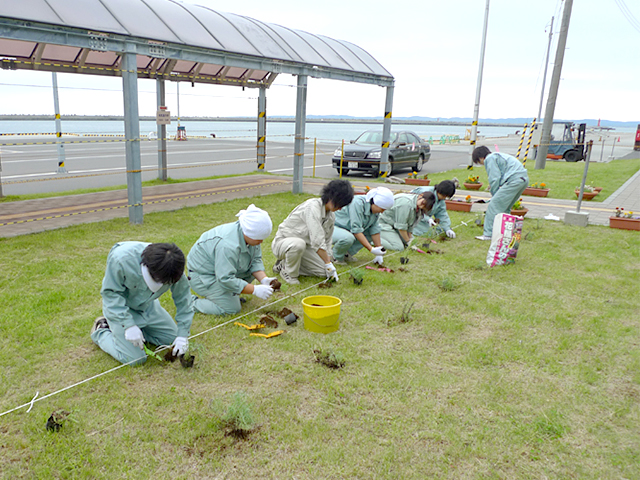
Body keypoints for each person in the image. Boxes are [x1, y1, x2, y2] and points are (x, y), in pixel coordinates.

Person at [90, 242, 194, 366]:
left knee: (172, 340)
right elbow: (110, 294)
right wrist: (128, 325)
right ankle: (101, 330)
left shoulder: (173, 268)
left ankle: (139, 329)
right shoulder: (121, 260)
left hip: (149, 307)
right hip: (121, 309)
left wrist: (182, 335)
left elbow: (184, 300)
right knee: (135, 359)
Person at [188, 204, 277, 315]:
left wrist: (264, 279)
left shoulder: (250, 236)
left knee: (249, 272)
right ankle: (189, 303)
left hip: (219, 272)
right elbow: (225, 278)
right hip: (203, 276)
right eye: (258, 239)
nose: (261, 242)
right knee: (231, 309)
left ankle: (227, 296)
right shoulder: (228, 245)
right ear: (248, 233)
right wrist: (254, 290)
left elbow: (254, 260)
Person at [272, 179, 354, 284]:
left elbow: (327, 241)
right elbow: (317, 240)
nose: (340, 208)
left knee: (323, 272)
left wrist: (329, 264)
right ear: (331, 197)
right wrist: (328, 263)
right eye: (339, 204)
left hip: (306, 247)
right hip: (284, 243)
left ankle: (289, 263)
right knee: (298, 244)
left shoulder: (331, 216)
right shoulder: (312, 207)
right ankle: (287, 272)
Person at [471, 146, 529, 240]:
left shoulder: (489, 158)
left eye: (479, 162)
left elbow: (494, 178)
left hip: (514, 180)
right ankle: (505, 232)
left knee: (493, 206)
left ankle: (488, 234)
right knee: (505, 208)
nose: (482, 164)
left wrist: (494, 194)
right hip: (523, 179)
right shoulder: (498, 156)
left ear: (481, 158)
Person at [332, 187, 394, 265]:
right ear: (374, 203)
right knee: (347, 238)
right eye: (381, 209)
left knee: (368, 233)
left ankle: (346, 254)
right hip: (333, 227)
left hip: (347, 228)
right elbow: (356, 230)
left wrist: (379, 252)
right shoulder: (357, 203)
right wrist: (371, 249)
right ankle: (334, 256)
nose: (382, 212)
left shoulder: (374, 209)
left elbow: (374, 229)